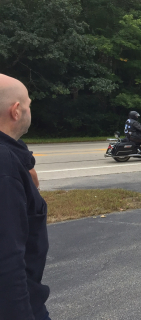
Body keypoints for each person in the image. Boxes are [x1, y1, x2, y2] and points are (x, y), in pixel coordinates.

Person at [0, 74, 51, 320]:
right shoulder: (4, 166)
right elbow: (7, 261)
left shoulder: (13, 162)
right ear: (16, 111)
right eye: (29, 104)